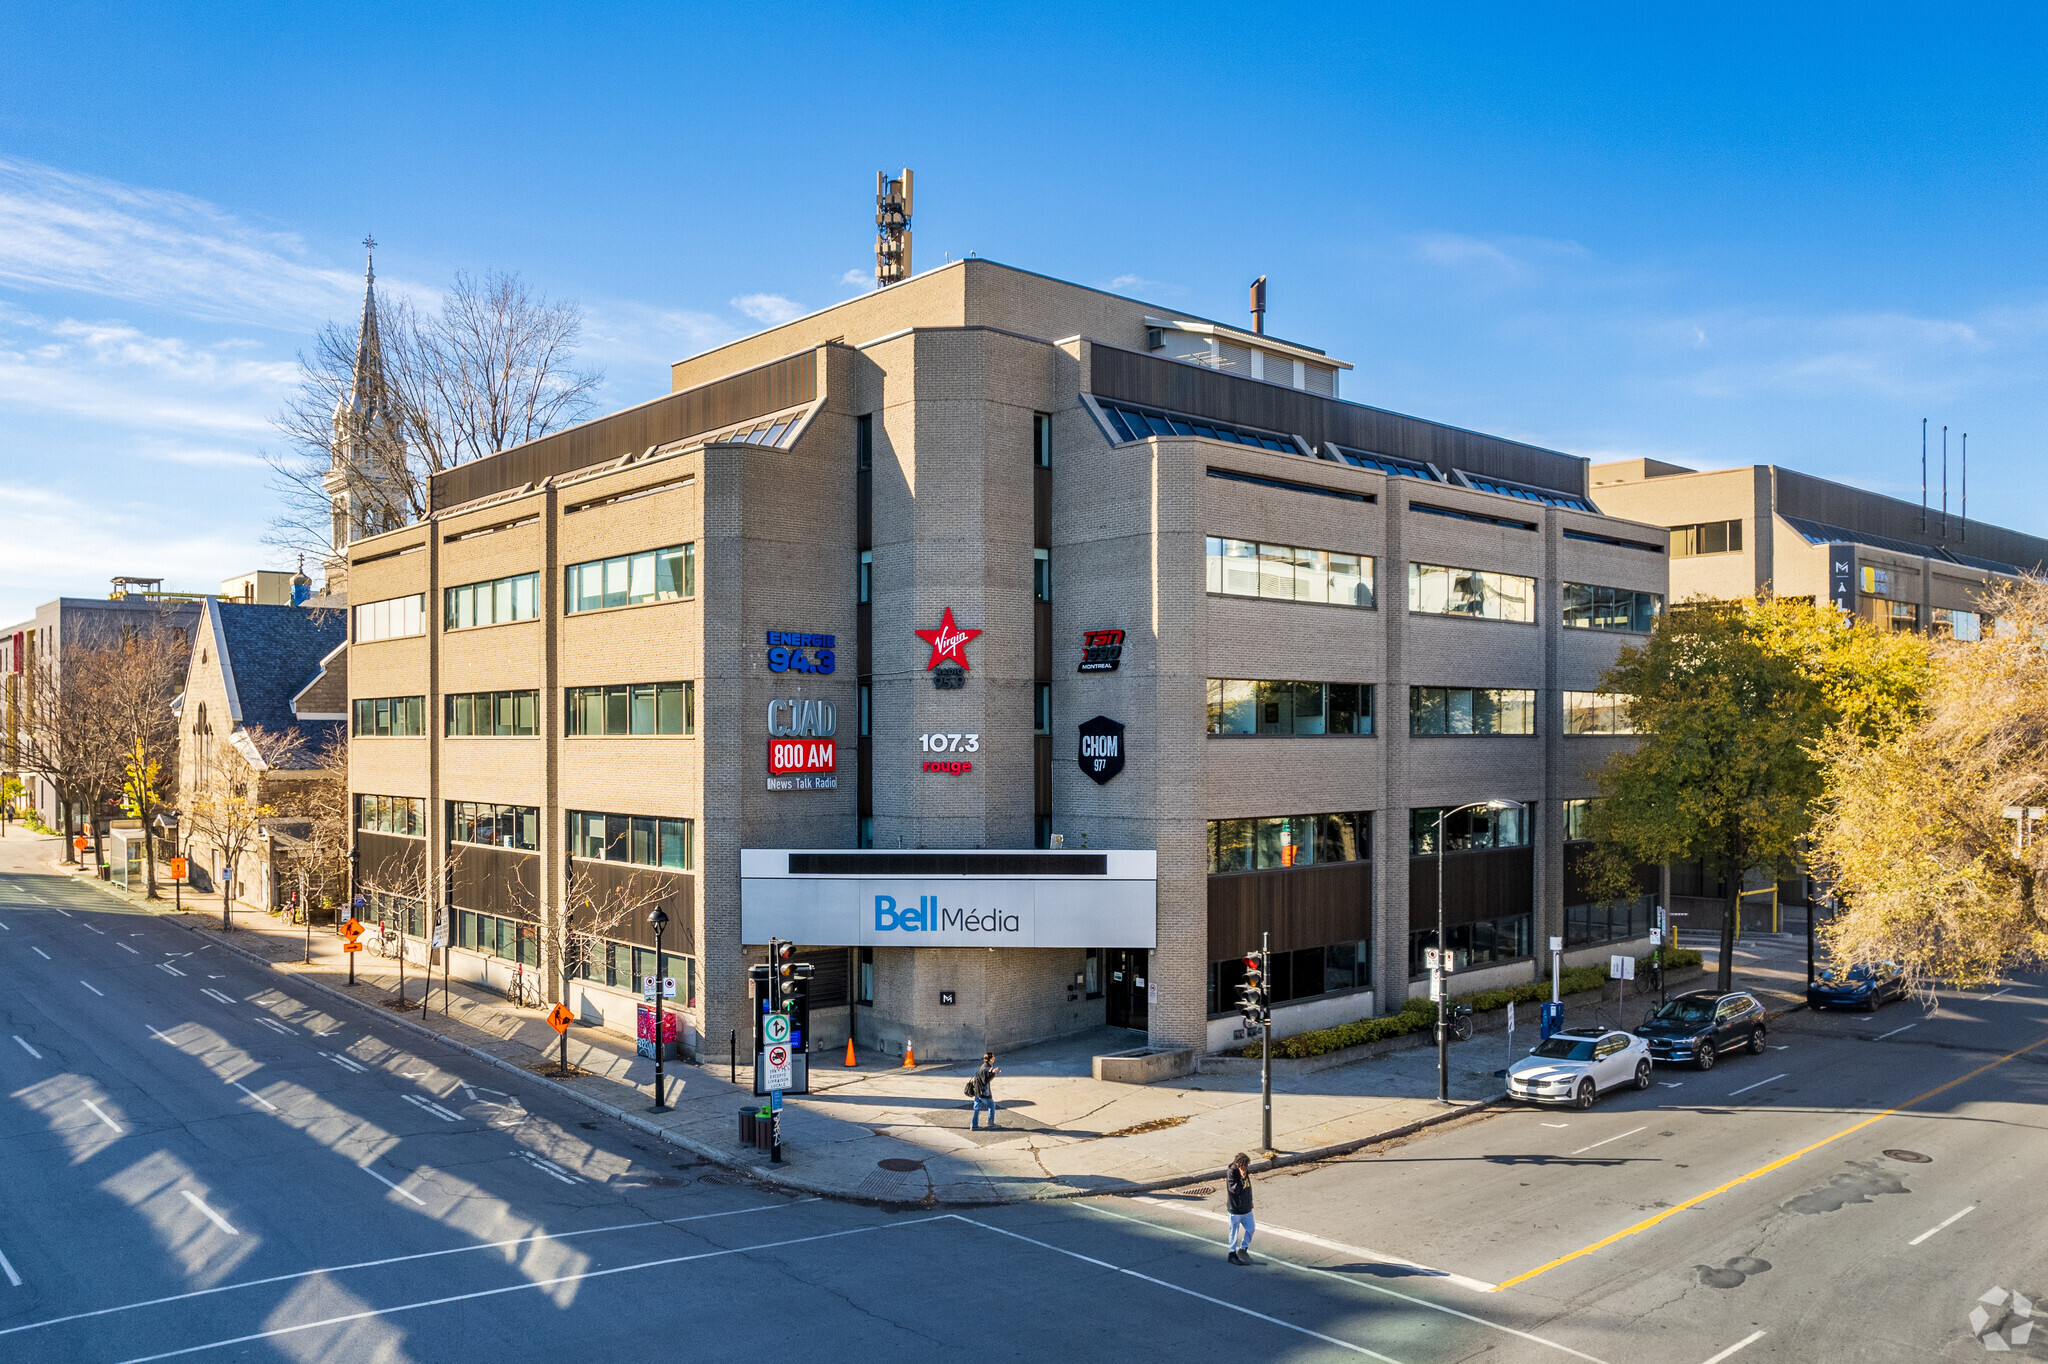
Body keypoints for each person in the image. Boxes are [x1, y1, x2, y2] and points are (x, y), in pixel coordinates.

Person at [1226, 1152, 1255, 1264]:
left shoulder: (1245, 1171)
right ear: (1239, 1164)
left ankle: (1243, 1249)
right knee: (1234, 1232)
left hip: (1246, 1208)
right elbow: (1235, 1190)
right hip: (1236, 1209)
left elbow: (1248, 1188)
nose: (1246, 1168)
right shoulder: (1232, 1172)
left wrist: (1250, 1201)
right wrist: (1242, 1178)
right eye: (1244, 1165)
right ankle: (1232, 1254)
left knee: (1251, 1228)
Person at [970, 1051, 1000, 1130]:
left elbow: (987, 1071)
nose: (994, 1058)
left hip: (977, 1091)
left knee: (976, 1108)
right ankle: (991, 1123)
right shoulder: (986, 1068)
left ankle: (974, 1125)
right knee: (991, 1105)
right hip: (984, 1093)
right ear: (990, 1059)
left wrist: (992, 1071)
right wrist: (993, 1073)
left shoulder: (983, 1066)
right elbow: (985, 1081)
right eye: (993, 1057)